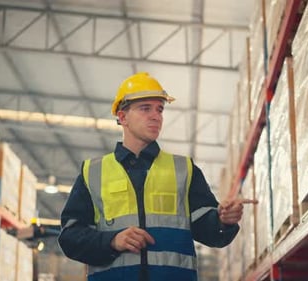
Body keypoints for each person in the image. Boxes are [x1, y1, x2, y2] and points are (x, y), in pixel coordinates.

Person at [58, 72, 257, 281]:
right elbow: (71, 237)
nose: (156, 116)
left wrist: (223, 220)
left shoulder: (184, 169)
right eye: (145, 108)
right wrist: (112, 241)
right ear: (122, 116)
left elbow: (209, 231)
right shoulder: (93, 172)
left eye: (159, 109)